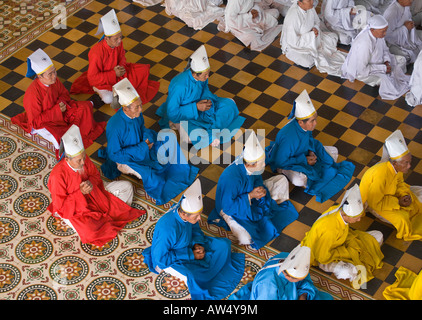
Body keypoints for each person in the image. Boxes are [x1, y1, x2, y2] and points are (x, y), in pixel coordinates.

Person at [99, 78, 199, 206]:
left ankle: (181, 171)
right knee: (151, 175)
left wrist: (147, 139)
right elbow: (115, 155)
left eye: (140, 105)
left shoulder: (136, 114)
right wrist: (143, 147)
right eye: (137, 107)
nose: (140, 109)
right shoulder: (114, 125)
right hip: (127, 158)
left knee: (170, 138)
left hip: (144, 145)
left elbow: (142, 129)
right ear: (125, 109)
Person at [142, 179, 245, 300]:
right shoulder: (168, 229)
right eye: (196, 216)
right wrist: (191, 255)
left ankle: (209, 268)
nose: (200, 218)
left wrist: (197, 243)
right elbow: (161, 259)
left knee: (224, 245)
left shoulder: (186, 213)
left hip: (189, 244)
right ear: (184, 215)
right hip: (173, 258)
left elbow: (195, 229)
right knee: (193, 276)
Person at [47, 125, 145, 247]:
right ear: (67, 159)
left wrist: (90, 184)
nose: (83, 162)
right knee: (91, 232)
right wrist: (80, 193)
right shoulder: (57, 176)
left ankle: (104, 220)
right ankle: (93, 221)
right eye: (79, 161)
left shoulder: (82, 158)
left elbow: (95, 176)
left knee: (127, 187)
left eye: (83, 158)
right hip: (75, 210)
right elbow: (61, 206)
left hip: (95, 195)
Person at [208, 130, 299, 249]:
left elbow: (257, 180)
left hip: (252, 197)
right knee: (246, 238)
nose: (264, 164)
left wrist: (261, 189)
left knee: (282, 180)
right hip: (232, 208)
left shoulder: (251, 166)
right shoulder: (231, 177)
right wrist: (250, 196)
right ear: (250, 165)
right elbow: (228, 207)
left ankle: (267, 203)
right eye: (261, 163)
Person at [11, 49, 105, 160]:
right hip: (46, 122)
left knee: (85, 107)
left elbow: (64, 94)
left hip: (61, 111)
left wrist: (62, 103)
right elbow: (36, 122)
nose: (54, 76)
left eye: (55, 71)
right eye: (50, 74)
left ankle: (78, 131)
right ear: (39, 76)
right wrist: (56, 110)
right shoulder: (32, 94)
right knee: (60, 138)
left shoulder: (54, 80)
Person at [266, 90, 355, 203]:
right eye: (312, 121)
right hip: (286, 163)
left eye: (315, 119)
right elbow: (280, 161)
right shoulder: (289, 138)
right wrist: (305, 160)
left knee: (334, 151)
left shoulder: (305, 127)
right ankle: (284, 172)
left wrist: (311, 151)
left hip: (303, 154)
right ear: (300, 123)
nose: (315, 123)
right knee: (300, 180)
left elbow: (309, 139)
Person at [156, 45, 245, 149]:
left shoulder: (202, 76)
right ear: (195, 74)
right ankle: (212, 134)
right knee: (189, 138)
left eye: (208, 73)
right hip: (186, 114)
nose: (208, 77)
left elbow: (205, 89)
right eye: (205, 75)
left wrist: (208, 101)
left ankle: (211, 134)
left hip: (203, 107)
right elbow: (172, 112)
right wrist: (196, 107)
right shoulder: (179, 86)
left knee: (230, 103)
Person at [301, 184, 384, 289]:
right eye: (357, 218)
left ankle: (357, 255)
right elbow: (322, 256)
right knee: (348, 271)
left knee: (378, 235)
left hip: (342, 242)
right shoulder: (330, 230)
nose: (359, 220)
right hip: (323, 258)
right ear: (346, 215)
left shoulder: (338, 210)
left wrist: (351, 246)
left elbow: (343, 234)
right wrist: (348, 251)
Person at [70, 9, 159, 106]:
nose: (119, 41)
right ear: (106, 38)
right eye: (116, 39)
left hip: (118, 73)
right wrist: (113, 74)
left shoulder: (118, 43)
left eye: (120, 37)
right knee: (108, 99)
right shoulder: (96, 53)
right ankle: (96, 89)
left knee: (143, 70)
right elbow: (92, 78)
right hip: (103, 80)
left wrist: (121, 67)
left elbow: (122, 57)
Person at [360, 130, 422, 241]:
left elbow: (399, 183)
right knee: (402, 219)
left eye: (409, 161)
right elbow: (375, 203)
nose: (409, 166)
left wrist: (404, 194)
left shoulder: (397, 169)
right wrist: (398, 202)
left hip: (392, 197)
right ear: (395, 163)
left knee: (415, 197)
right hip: (375, 204)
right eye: (406, 163)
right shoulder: (380, 175)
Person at [341, 14, 410, 100]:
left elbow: (385, 49)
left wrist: (386, 61)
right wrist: (383, 68)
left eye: (386, 30)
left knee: (402, 60)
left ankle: (391, 76)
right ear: (372, 30)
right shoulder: (365, 44)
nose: (385, 34)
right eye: (383, 31)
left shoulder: (379, 35)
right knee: (387, 80)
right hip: (363, 72)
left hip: (379, 63)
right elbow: (361, 70)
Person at [229, 244, 334, 300]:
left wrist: (303, 296)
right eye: (297, 279)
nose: (301, 279)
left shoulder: (289, 258)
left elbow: (305, 283)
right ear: (287, 274)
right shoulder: (268, 285)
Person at [280, 0, 347, 76]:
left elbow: (317, 21)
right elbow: (293, 42)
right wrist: (311, 35)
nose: (312, 2)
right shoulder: (293, 16)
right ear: (300, 3)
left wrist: (315, 28)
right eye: (309, 1)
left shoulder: (310, 7)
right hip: (296, 46)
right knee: (308, 61)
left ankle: (316, 49)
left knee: (333, 37)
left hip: (314, 38)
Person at [218, 0, 283, 51]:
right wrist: (249, 16)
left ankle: (258, 26)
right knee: (253, 37)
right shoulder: (236, 1)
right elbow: (231, 20)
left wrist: (255, 10)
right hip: (239, 24)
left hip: (252, 17)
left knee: (275, 13)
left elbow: (255, 3)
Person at [383, 0, 422, 64]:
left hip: (408, 36)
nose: (411, 0)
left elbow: (408, 19)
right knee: (406, 56)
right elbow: (387, 36)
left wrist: (410, 24)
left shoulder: (406, 6)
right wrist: (405, 28)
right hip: (392, 43)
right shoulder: (392, 11)